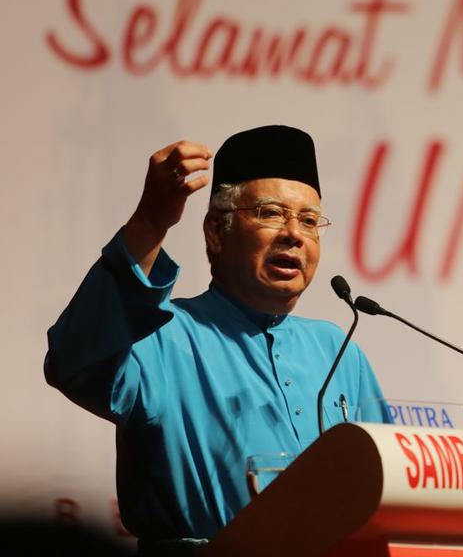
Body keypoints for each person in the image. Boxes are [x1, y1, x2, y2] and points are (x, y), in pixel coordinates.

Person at [44, 125, 388, 549]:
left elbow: (388, 486)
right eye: (270, 213)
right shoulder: (163, 334)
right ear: (215, 232)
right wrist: (150, 222)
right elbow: (71, 362)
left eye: (310, 221)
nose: (294, 234)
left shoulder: (337, 349)